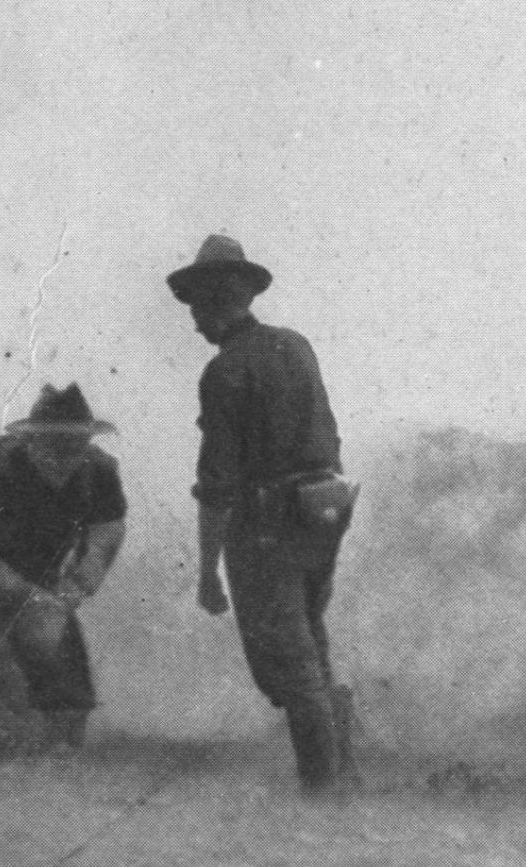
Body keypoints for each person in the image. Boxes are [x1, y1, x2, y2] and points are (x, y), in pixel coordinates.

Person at [169, 234, 359, 795]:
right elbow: (328, 436)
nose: (194, 323)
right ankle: (340, 772)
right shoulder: (296, 346)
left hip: (266, 527)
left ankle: (322, 788)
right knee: (311, 643)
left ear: (212, 303)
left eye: (198, 309)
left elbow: (218, 483)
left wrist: (207, 572)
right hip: (324, 513)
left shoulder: (224, 372)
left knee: (287, 660)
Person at [0, 382, 127, 754]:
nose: (64, 459)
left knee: (66, 679)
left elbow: (107, 533)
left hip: (43, 572)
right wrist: (31, 597)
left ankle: (61, 753)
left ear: (87, 443)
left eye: (74, 448)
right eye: (52, 448)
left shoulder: (100, 470)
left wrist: (74, 590)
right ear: (29, 442)